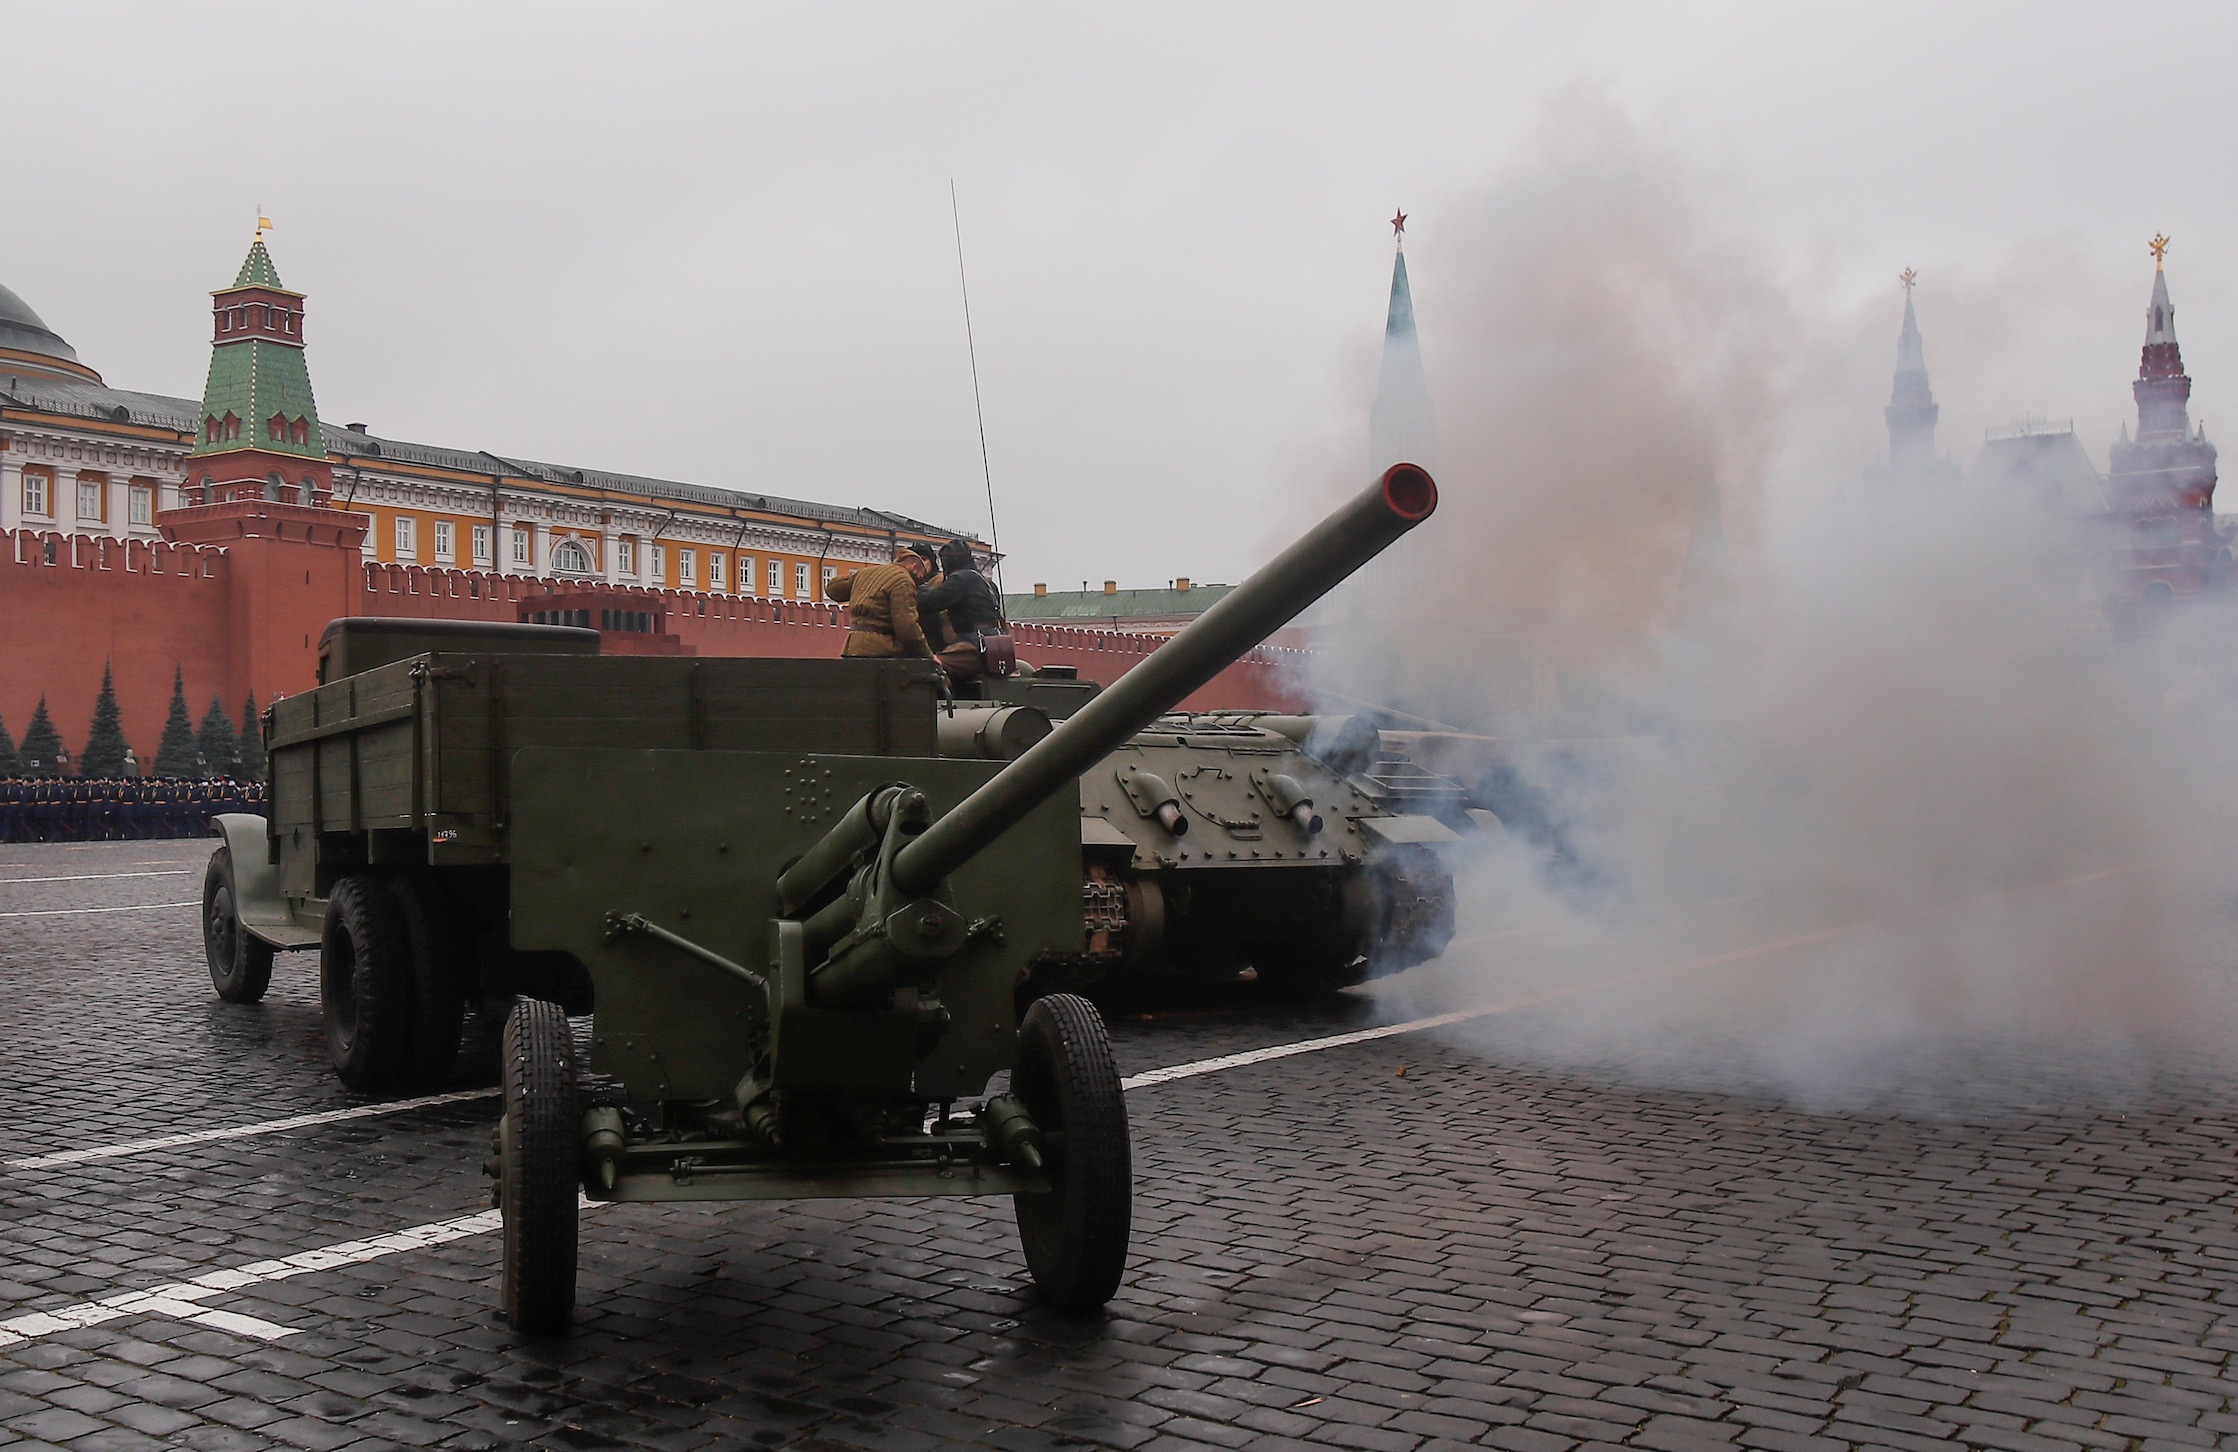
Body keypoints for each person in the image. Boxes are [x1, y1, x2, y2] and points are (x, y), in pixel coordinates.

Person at [915, 539, 1008, 683]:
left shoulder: (962, 579)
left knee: (927, 667)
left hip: (973, 648)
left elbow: (926, 603)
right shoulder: (986, 582)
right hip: (994, 646)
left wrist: (920, 583)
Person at [823, 547, 937, 660]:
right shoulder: (904, 580)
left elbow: (832, 589)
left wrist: (860, 581)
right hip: (881, 649)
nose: (919, 582)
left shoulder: (867, 572)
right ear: (914, 567)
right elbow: (906, 626)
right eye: (920, 577)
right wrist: (927, 655)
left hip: (853, 646)